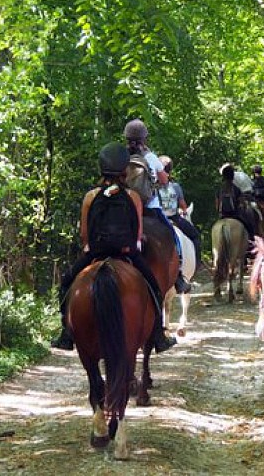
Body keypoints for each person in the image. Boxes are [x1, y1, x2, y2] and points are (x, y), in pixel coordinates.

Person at [51, 142, 177, 353]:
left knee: (65, 286)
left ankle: (66, 334)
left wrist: (91, 249)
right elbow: (137, 234)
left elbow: (84, 234)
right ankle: (157, 335)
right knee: (154, 288)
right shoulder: (133, 197)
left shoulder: (91, 197)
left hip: (95, 252)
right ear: (124, 170)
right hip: (126, 253)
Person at [124, 119, 192, 294]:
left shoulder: (121, 156)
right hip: (150, 208)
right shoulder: (151, 157)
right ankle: (178, 275)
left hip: (125, 207)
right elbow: (164, 180)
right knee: (172, 234)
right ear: (144, 138)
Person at [157, 155, 204, 270]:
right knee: (195, 236)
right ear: (170, 169)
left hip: (157, 218)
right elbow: (183, 206)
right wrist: (183, 211)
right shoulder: (175, 187)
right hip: (174, 218)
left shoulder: (153, 186)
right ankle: (197, 263)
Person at [216, 164, 255, 240]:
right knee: (249, 225)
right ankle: (251, 240)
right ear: (233, 176)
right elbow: (241, 205)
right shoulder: (236, 189)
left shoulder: (219, 190)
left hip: (223, 215)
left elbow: (217, 206)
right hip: (235, 215)